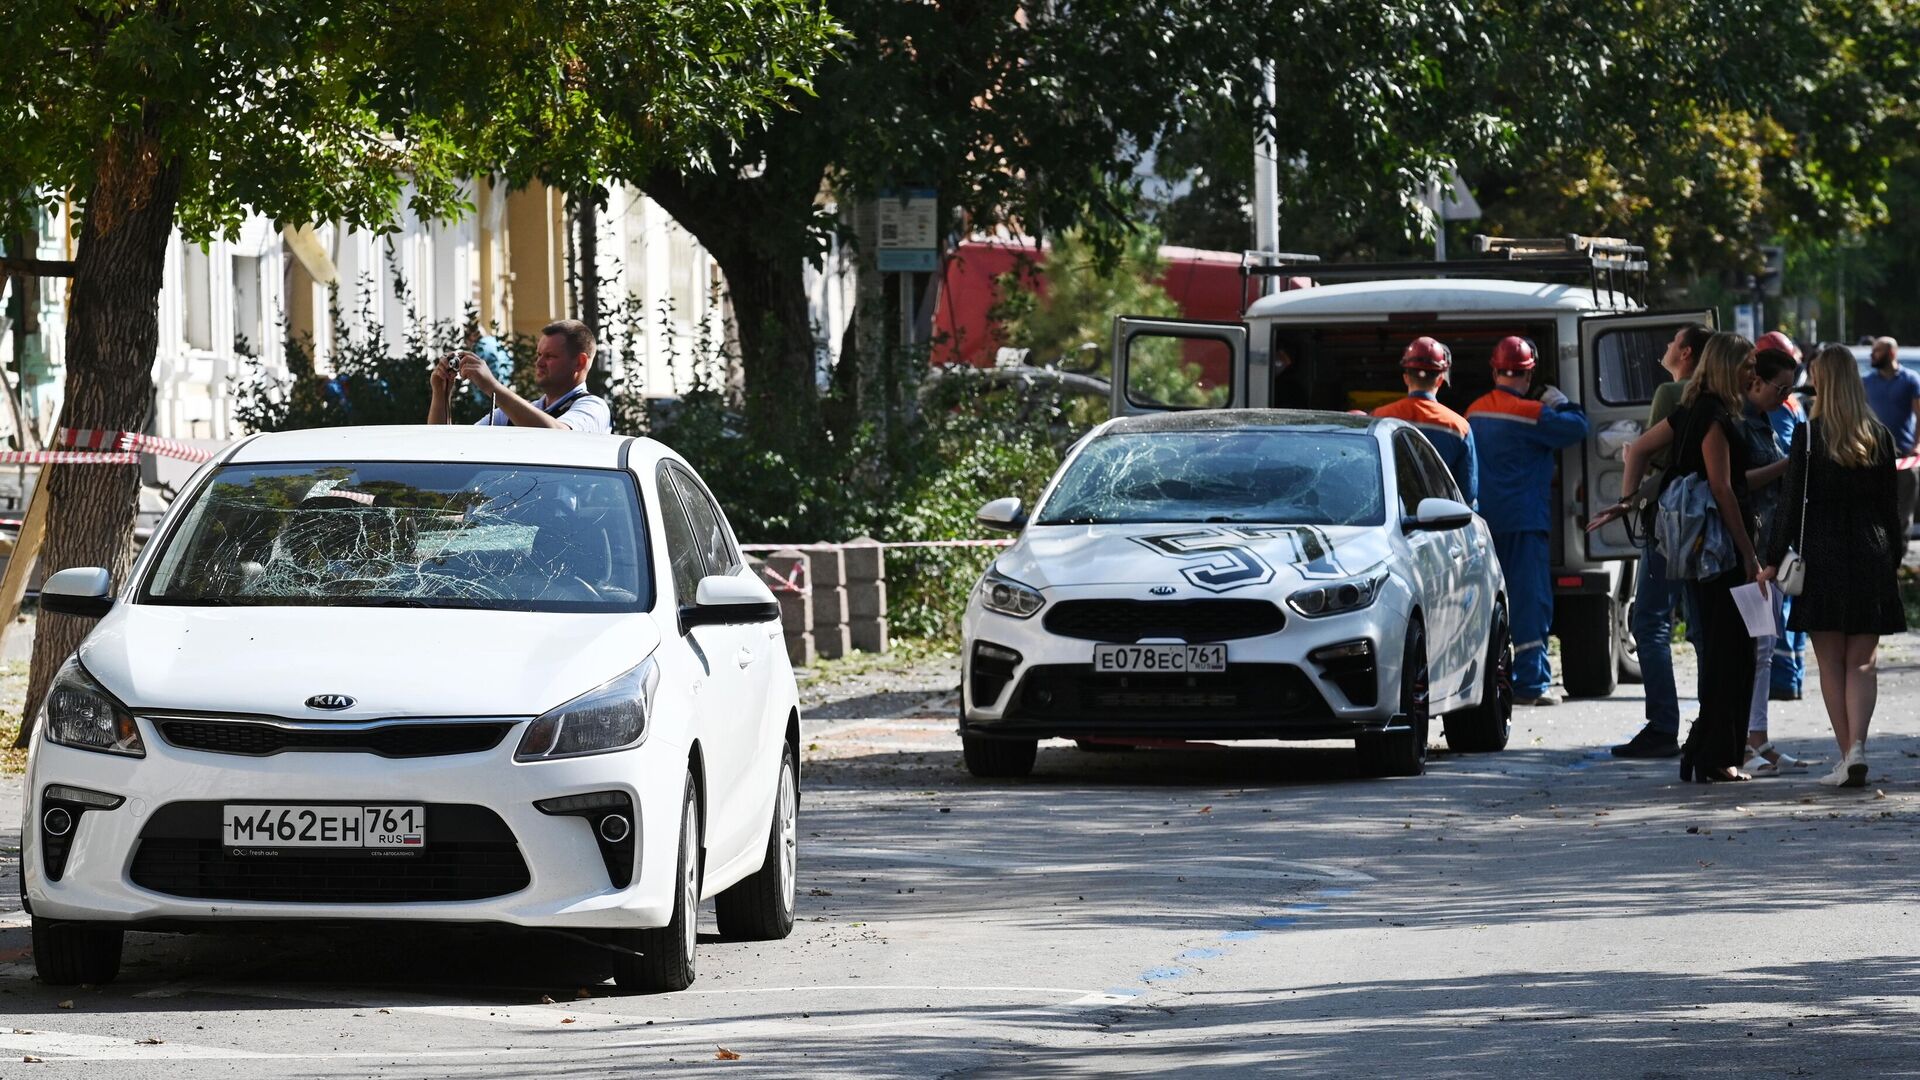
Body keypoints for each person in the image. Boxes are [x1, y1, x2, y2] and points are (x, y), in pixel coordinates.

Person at [1590, 332, 1761, 782]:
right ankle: (1714, 755)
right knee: (1728, 651)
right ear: (1727, 366)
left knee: (1717, 644)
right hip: (1719, 550)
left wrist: (1629, 501)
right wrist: (1748, 552)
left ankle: (1705, 751)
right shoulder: (1716, 416)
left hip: (1690, 544)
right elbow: (1723, 488)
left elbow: (1644, 450)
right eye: (1746, 365)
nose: (1752, 373)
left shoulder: (1690, 408)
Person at [1761, 344, 1907, 788]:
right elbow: (1891, 507)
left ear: (1824, 382)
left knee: (1831, 663)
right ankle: (1859, 747)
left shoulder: (1808, 436)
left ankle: (1847, 756)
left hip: (1822, 553)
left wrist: (1771, 560)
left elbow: (1790, 505)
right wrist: (1893, 558)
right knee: (1862, 663)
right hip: (1870, 551)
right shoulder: (1879, 436)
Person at [1466, 336, 1589, 706]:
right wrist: (1559, 401)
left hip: (1484, 522)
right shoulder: (1532, 413)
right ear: (1528, 372)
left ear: (1494, 370)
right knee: (1529, 602)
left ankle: (1487, 682)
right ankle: (1531, 684)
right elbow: (1577, 428)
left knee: (1488, 602)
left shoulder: (1474, 412)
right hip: (1524, 520)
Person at [1612, 322, 1713, 757]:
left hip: (1669, 523)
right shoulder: (1723, 397)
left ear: (1686, 352)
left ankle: (1661, 726)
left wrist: (1627, 497)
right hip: (1708, 523)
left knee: (1650, 622)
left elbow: (1648, 451)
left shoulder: (1672, 395)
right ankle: (1713, 718)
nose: (1667, 347)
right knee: (1703, 626)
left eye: (1673, 341)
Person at [1736, 347, 1808, 775]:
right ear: (1756, 382)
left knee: (1764, 647)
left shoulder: (1762, 419)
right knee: (1751, 647)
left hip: (1768, 546)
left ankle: (1757, 739)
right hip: (1748, 547)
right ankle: (1743, 742)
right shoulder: (1738, 422)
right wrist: (1789, 465)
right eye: (1781, 389)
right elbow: (1733, 483)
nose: (1785, 399)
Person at [429, 318, 612, 433]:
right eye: (539, 355)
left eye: (550, 356)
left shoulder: (593, 407)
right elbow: (448, 447)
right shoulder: (511, 415)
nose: (539, 363)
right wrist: (441, 394)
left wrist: (492, 387)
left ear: (580, 362)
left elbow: (559, 438)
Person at [1754, 330, 1808, 702]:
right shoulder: (1792, 403)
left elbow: (1781, 459)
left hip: (1776, 512)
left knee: (1781, 593)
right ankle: (1789, 677)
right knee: (1790, 590)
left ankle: (1783, 678)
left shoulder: (1776, 406)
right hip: (1790, 510)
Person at [1373, 336, 1478, 506]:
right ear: (1440, 379)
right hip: (1440, 523)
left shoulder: (1380, 418)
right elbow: (1468, 494)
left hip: (1390, 519)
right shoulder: (1459, 427)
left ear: (1406, 377)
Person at [1861, 335, 1919, 542]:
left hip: (1905, 454)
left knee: (1903, 510)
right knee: (1875, 507)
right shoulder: (1866, 382)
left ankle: (1899, 557)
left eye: (1877, 351)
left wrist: (1917, 445)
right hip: (1874, 454)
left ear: (1891, 353)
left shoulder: (1910, 380)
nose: (1872, 355)